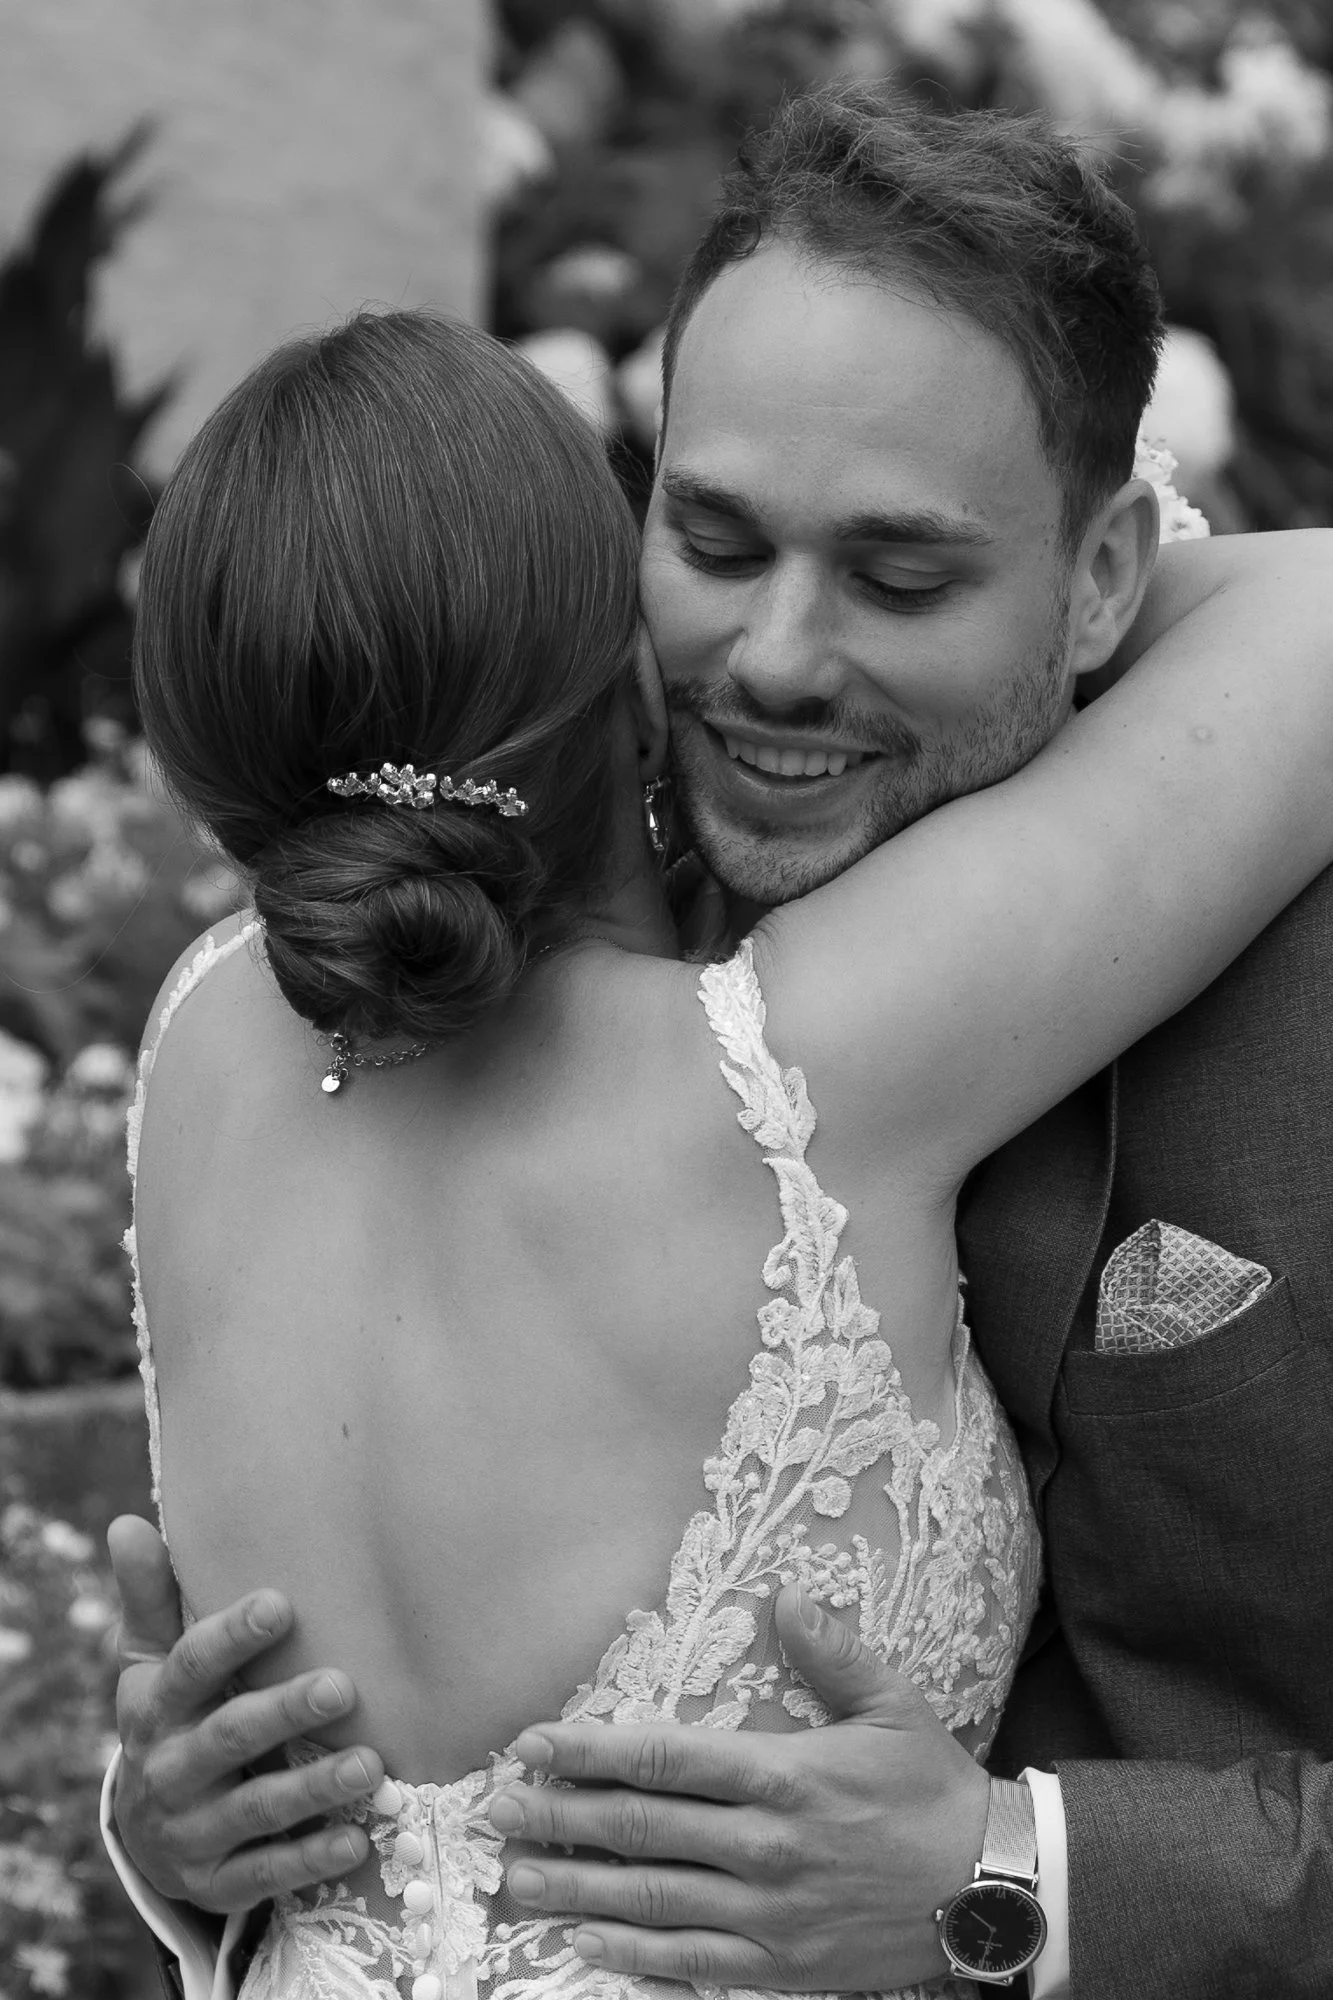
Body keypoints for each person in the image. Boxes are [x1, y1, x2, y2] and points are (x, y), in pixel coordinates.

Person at [103, 91, 1333, 2000]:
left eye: (904, 572)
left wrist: (1029, 1878)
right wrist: (181, 1827)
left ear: (1103, 574)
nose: (768, 659)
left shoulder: (215, 1030)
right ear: (612, 551)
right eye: (713, 535)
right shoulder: (785, 1039)